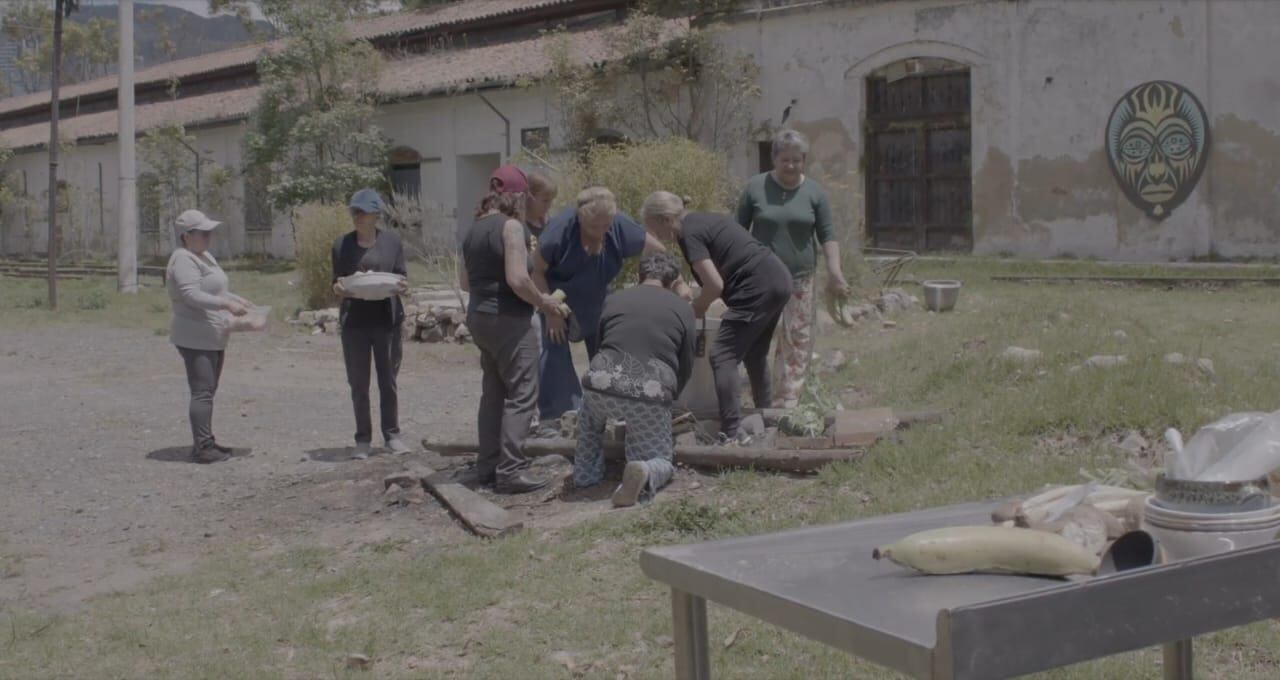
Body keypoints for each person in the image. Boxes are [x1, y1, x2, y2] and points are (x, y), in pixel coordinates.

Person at [641, 191, 792, 443]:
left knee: (723, 354)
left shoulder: (689, 234)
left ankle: (731, 432)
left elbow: (714, 284)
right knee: (755, 353)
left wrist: (697, 308)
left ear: (667, 219)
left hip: (757, 285)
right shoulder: (702, 220)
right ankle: (765, 417)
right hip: (777, 278)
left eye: (655, 228)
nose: (657, 236)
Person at [531, 186, 685, 425]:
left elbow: (659, 253)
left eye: (606, 227)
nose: (601, 232)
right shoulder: (558, 232)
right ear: (580, 219)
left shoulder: (621, 226)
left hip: (599, 298)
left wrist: (673, 285)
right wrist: (550, 309)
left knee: (613, 355)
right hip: (558, 301)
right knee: (555, 355)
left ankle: (613, 411)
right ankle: (559, 418)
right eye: (594, 227)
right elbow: (537, 272)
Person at [460, 165, 568, 494]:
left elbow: (465, 282)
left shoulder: (473, 229)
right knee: (522, 396)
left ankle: (488, 467)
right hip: (509, 320)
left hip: (479, 316)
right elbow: (518, 279)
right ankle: (511, 470)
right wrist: (545, 302)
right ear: (518, 196)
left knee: (493, 394)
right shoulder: (511, 228)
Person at [736, 129, 852, 408]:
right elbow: (737, 232)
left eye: (796, 160)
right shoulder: (755, 187)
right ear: (774, 158)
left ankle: (787, 398)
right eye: (785, 159)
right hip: (761, 278)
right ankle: (760, 396)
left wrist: (835, 273)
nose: (791, 165)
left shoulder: (814, 192)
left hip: (800, 279)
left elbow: (827, 236)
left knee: (796, 339)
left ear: (804, 160)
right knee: (757, 336)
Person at [573, 252, 695, 507]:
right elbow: (686, 364)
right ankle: (646, 469)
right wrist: (670, 401)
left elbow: (599, 345)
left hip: (599, 385)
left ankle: (585, 476)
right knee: (660, 457)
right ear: (673, 283)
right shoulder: (682, 308)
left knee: (589, 425)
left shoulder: (613, 300)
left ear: (640, 276)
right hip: (648, 395)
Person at [165, 209, 254, 464]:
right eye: (203, 233)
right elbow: (192, 295)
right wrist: (227, 306)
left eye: (209, 233)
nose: (208, 237)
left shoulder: (203, 256)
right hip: (194, 335)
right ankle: (203, 447)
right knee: (202, 391)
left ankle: (207, 440)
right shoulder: (182, 259)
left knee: (209, 389)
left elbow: (218, 288)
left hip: (213, 334)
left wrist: (238, 300)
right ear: (186, 236)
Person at [331, 188, 412, 460]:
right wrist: (340, 289)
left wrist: (401, 286)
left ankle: (392, 435)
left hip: (386, 319)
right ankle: (362, 439)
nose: (357, 216)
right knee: (359, 383)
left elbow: (401, 277)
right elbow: (337, 281)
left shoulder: (392, 242)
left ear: (376, 214)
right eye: (354, 211)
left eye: (362, 211)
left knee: (388, 380)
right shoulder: (342, 245)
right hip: (355, 320)